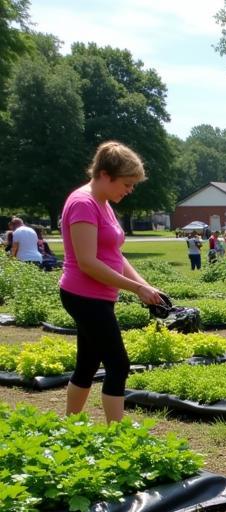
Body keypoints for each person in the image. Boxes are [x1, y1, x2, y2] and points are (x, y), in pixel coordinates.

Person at [59, 140, 164, 423]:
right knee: (119, 364)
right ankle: (117, 438)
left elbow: (113, 253)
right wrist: (136, 289)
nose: (129, 191)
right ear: (106, 174)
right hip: (84, 295)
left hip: (98, 296)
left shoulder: (103, 202)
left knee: (88, 364)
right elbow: (87, 262)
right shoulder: (83, 203)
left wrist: (145, 285)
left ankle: (69, 428)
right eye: (127, 184)